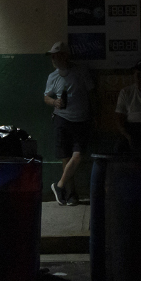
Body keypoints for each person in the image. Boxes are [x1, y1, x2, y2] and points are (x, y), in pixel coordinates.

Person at [43, 41, 95, 206]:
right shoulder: (53, 76)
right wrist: (54, 103)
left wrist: (95, 115)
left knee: (77, 156)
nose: (53, 58)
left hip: (81, 119)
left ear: (65, 55)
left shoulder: (80, 71)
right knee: (66, 157)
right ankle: (71, 194)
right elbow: (46, 97)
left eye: (56, 55)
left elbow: (92, 93)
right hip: (62, 119)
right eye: (52, 55)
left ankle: (59, 186)